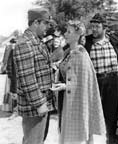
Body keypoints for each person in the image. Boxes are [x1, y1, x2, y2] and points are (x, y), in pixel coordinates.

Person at [54, 20, 106, 144]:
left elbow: (84, 82)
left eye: (69, 32)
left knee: (75, 138)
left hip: (76, 103)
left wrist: (66, 85)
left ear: (78, 35)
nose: (65, 34)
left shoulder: (81, 54)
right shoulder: (68, 52)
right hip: (67, 100)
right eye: (66, 31)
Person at [13, 8, 55, 144]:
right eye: (46, 23)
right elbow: (27, 78)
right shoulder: (25, 43)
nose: (48, 28)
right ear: (36, 22)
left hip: (42, 103)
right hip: (35, 107)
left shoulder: (36, 41)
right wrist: (39, 103)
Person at [85, 13, 118, 144]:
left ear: (104, 27)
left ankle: (112, 141)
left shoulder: (114, 41)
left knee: (112, 118)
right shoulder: (86, 42)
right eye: (92, 26)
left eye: (97, 26)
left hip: (113, 83)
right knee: (89, 118)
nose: (94, 29)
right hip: (95, 83)